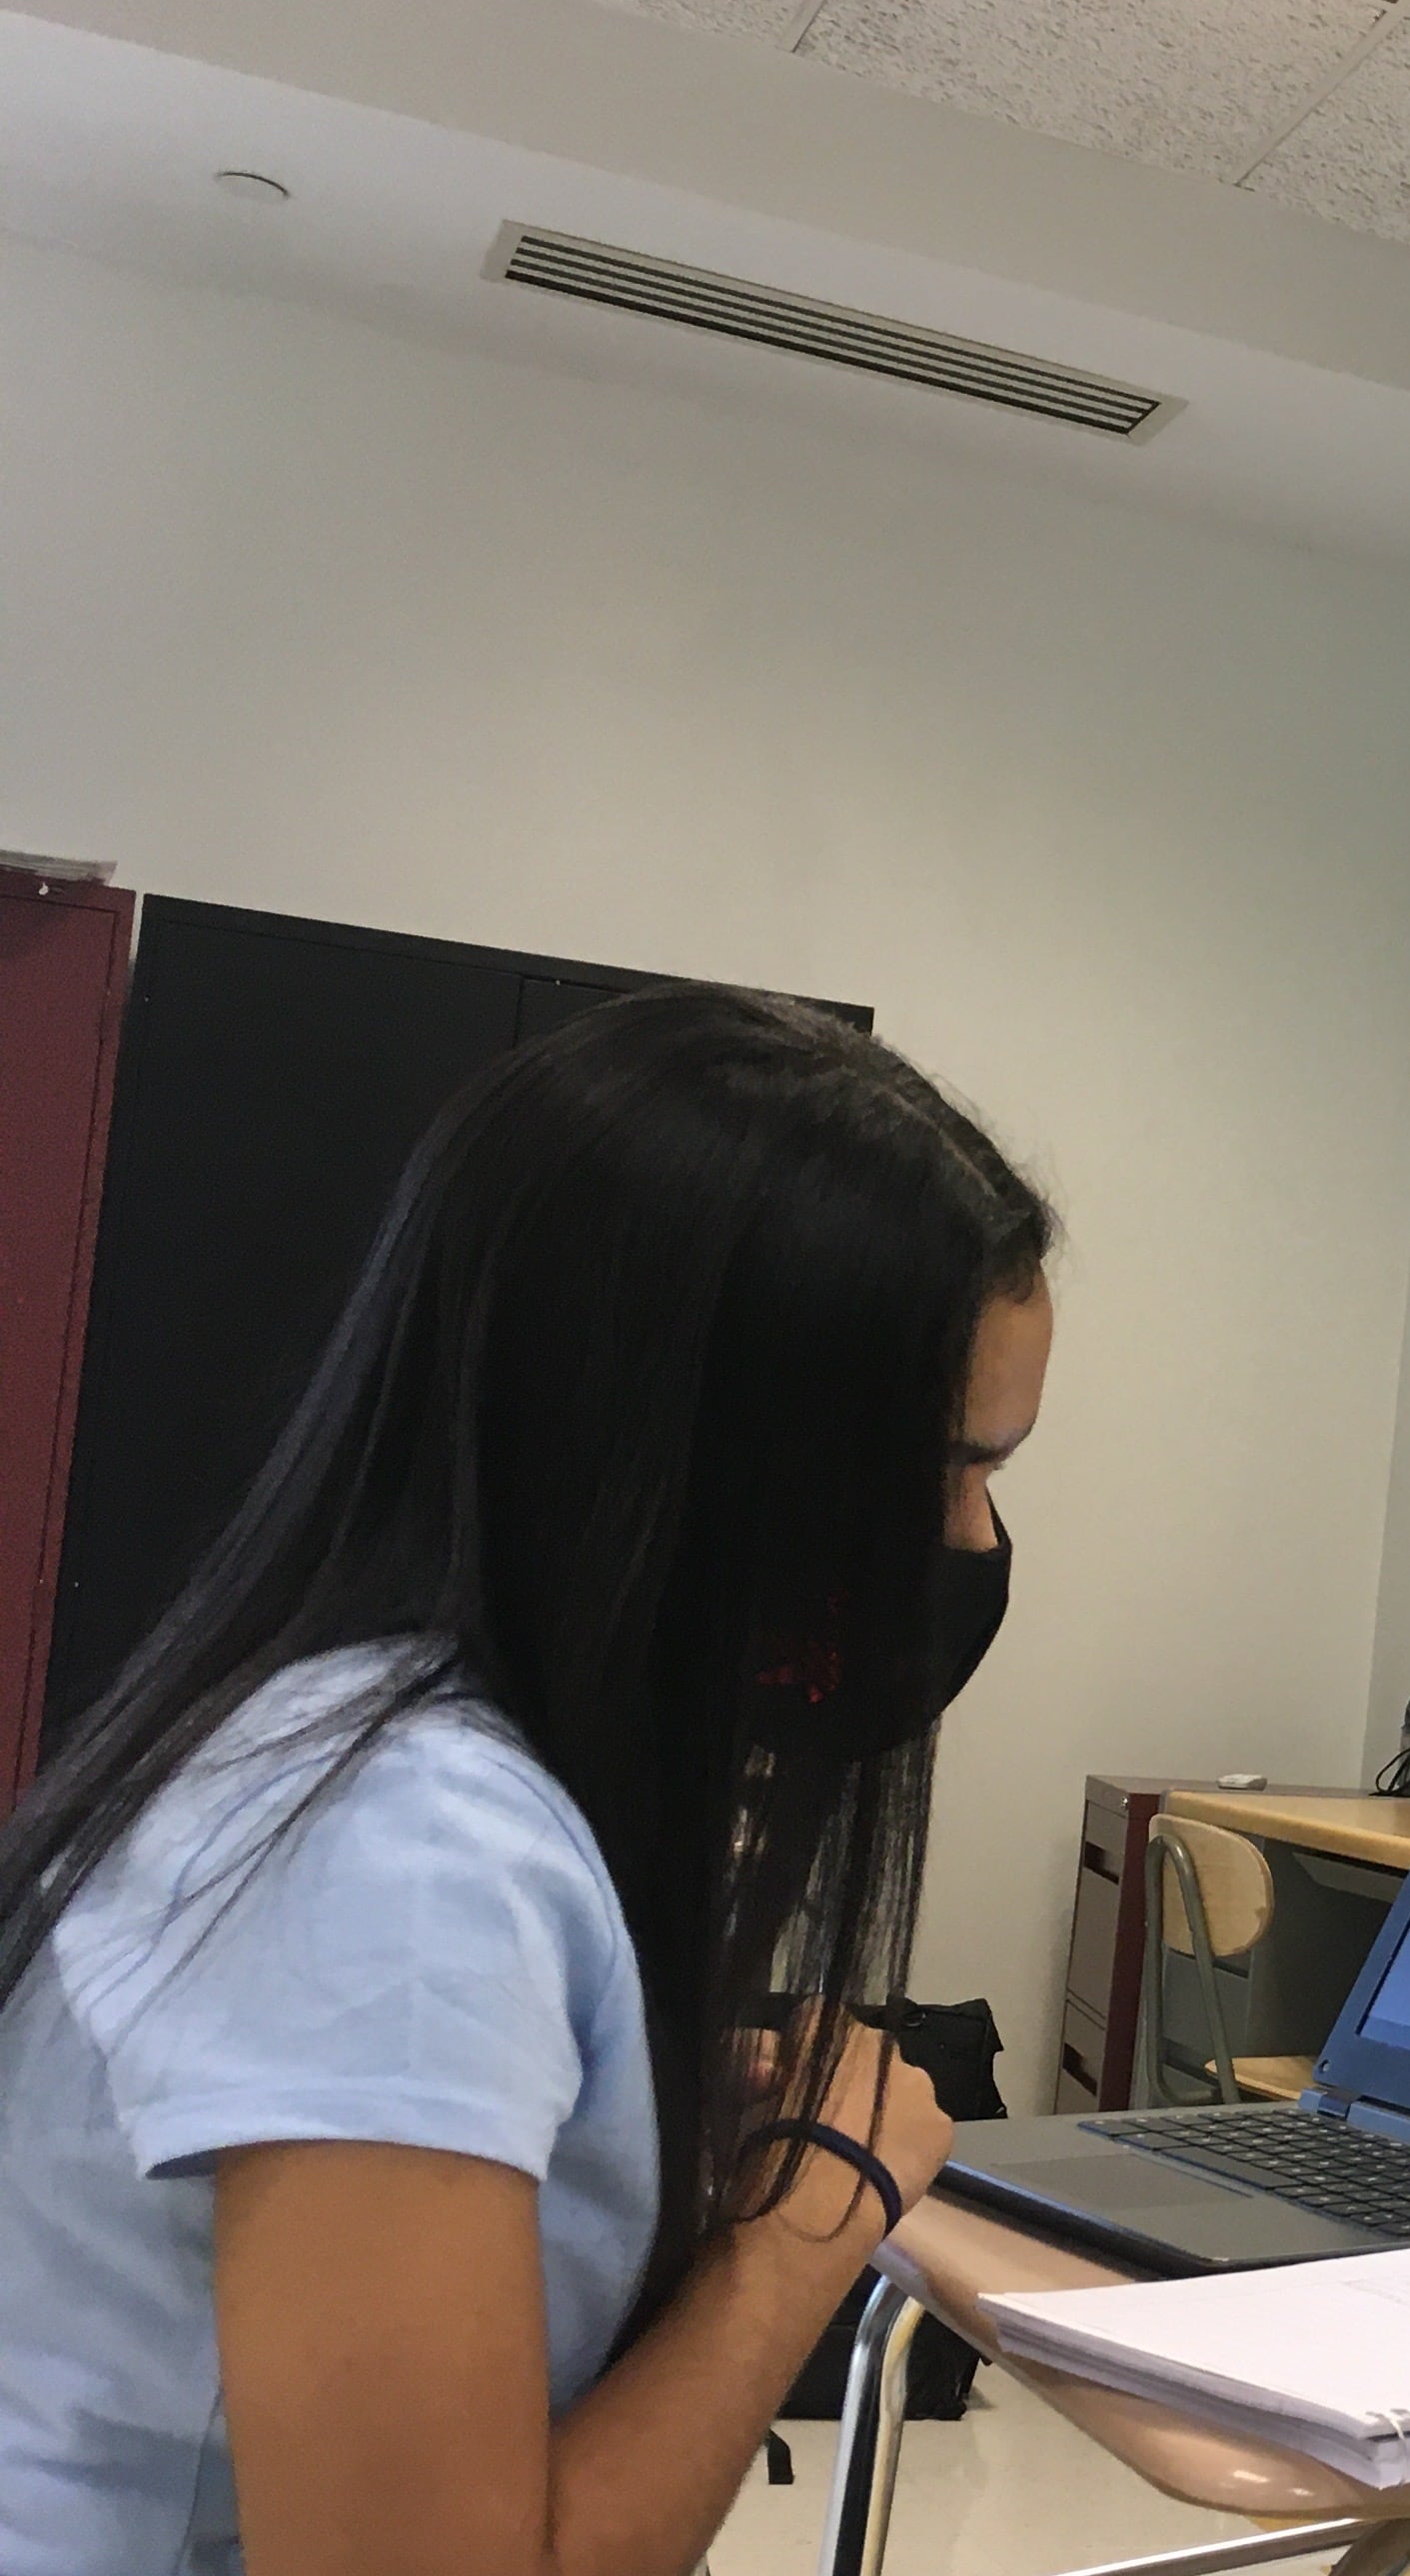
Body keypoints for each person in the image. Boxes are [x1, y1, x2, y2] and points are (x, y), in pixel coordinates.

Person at [0, 986, 1056, 2576]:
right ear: (698, 1446)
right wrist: (806, 2224)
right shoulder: (392, 1855)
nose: (972, 1542)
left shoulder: (418, 1776)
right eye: (950, 1470)